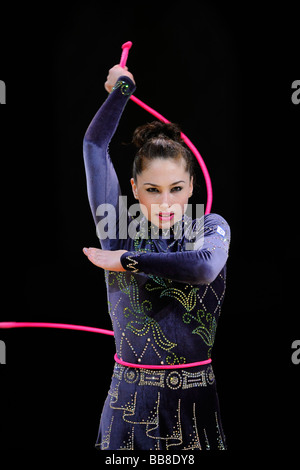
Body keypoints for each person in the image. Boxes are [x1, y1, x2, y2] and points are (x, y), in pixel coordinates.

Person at [82, 65, 230, 450]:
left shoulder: (208, 227)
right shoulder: (116, 229)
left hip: (194, 404)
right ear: (134, 188)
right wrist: (121, 92)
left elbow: (203, 267)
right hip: (130, 401)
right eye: (152, 189)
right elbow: (95, 146)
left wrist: (129, 261)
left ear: (192, 185)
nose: (166, 203)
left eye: (177, 188)